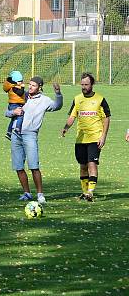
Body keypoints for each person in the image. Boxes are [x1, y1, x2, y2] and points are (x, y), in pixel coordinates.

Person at [6, 77, 62, 204]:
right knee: (18, 166)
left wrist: (58, 93)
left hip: (30, 135)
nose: (30, 87)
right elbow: (6, 112)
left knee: (34, 166)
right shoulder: (21, 96)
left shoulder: (44, 100)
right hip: (15, 134)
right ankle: (27, 193)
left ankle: (40, 194)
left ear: (40, 87)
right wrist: (13, 112)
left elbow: (57, 106)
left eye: (33, 85)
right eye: (29, 84)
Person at [61, 72, 110, 202]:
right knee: (83, 166)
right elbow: (72, 116)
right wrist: (66, 127)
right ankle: (84, 192)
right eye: (82, 84)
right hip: (81, 138)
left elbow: (106, 118)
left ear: (92, 84)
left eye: (86, 84)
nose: (83, 87)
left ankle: (91, 191)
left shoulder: (100, 99)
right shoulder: (77, 99)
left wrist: (103, 136)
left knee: (92, 163)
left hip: (95, 137)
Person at [3, 70, 26, 139]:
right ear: (15, 81)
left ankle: (9, 132)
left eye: (22, 81)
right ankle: (17, 129)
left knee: (13, 119)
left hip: (13, 104)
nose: (21, 82)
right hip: (15, 104)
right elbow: (20, 93)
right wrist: (22, 87)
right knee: (20, 115)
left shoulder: (13, 87)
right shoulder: (14, 88)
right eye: (19, 81)